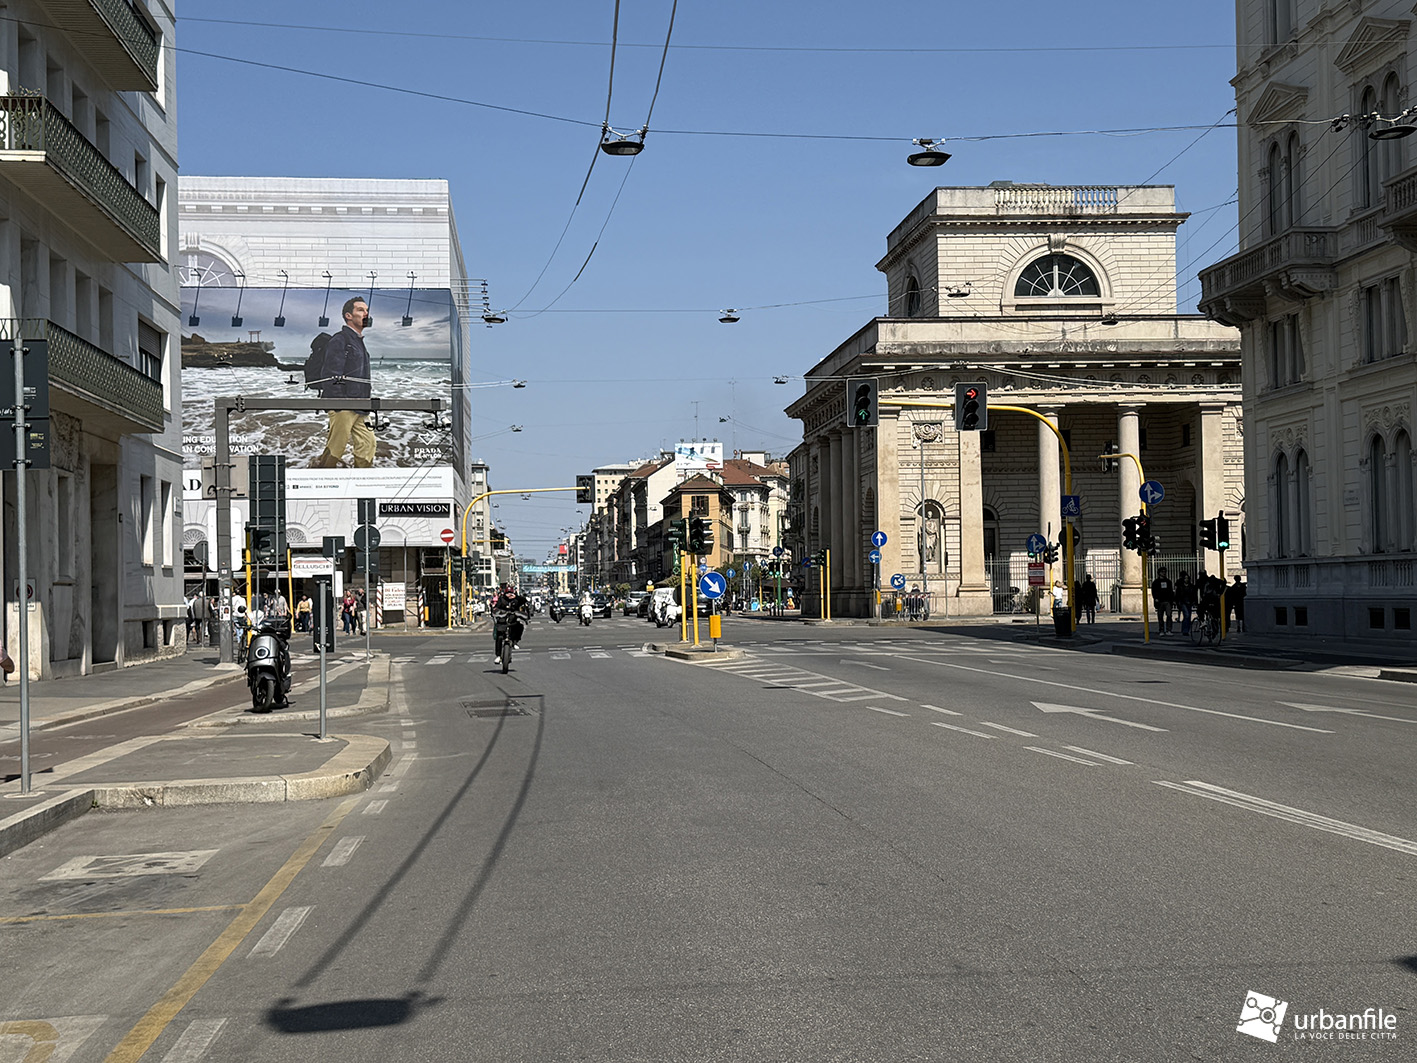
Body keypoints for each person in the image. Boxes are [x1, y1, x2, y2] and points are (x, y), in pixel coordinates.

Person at [311, 297, 376, 468]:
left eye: (367, 310)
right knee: (336, 448)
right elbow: (330, 375)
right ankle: (321, 477)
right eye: (360, 310)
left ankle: (362, 479)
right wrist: (340, 403)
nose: (366, 313)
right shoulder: (340, 340)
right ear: (348, 316)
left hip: (361, 405)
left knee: (368, 445)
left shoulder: (358, 341)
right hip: (344, 405)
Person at [492, 582, 529, 649]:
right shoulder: (502, 599)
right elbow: (496, 608)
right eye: (507, 593)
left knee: (519, 626)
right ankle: (499, 650)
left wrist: (516, 597)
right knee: (499, 633)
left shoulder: (516, 599)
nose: (509, 595)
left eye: (510, 593)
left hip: (513, 619)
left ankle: (515, 642)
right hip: (503, 619)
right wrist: (497, 613)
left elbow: (524, 601)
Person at [1151, 566, 1174, 634]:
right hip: (1160, 601)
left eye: (1165, 572)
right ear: (1159, 573)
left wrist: (1172, 600)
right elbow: (1154, 591)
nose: (1164, 573)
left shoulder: (1168, 582)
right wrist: (1156, 598)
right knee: (1160, 616)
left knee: (1169, 615)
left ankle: (1168, 629)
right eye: (1162, 572)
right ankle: (1161, 630)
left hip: (1167, 601)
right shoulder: (1156, 582)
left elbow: (1171, 591)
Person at [1174, 571, 1196, 636]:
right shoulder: (1180, 586)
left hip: (1189, 602)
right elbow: (1177, 594)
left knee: (1188, 616)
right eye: (1185, 578)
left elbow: (1194, 594)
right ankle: (1185, 630)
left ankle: (1186, 629)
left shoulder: (1191, 586)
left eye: (1187, 578)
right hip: (1183, 602)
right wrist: (1177, 601)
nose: (1186, 579)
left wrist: (1194, 601)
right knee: (1187, 615)